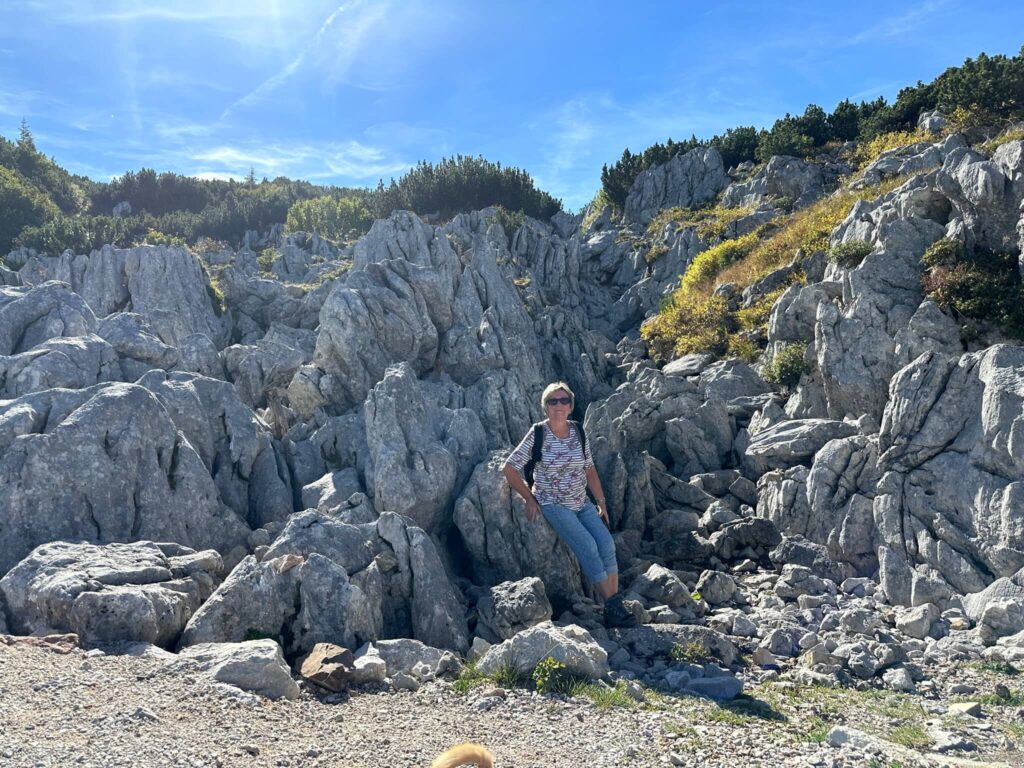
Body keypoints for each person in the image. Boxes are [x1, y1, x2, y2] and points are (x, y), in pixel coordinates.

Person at [502, 381, 637, 628]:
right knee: (588, 546)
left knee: (607, 544)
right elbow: (509, 468)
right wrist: (529, 499)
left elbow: (590, 468)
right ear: (545, 406)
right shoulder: (538, 433)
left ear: (571, 405)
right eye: (553, 401)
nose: (559, 405)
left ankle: (612, 605)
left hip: (581, 501)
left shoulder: (577, 431)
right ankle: (614, 607)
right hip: (553, 503)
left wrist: (601, 502)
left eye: (564, 400)